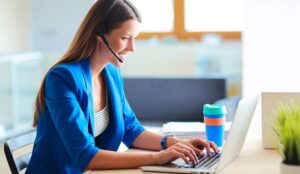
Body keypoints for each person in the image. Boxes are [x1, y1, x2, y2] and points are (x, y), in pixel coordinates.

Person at [26, 0, 219, 173]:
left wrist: (174, 143)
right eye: (126, 38)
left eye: (135, 38)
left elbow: (130, 129)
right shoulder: (62, 78)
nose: (132, 48)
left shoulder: (111, 73)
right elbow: (84, 155)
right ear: (99, 35)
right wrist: (159, 157)